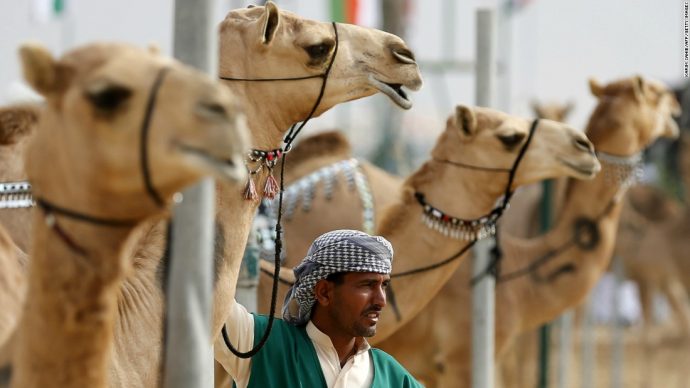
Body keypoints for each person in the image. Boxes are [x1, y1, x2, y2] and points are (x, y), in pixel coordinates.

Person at [217, 229, 422, 387]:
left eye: (384, 285)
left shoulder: (394, 377)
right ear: (324, 292)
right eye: (367, 285)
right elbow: (202, 294)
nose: (381, 300)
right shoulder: (259, 342)